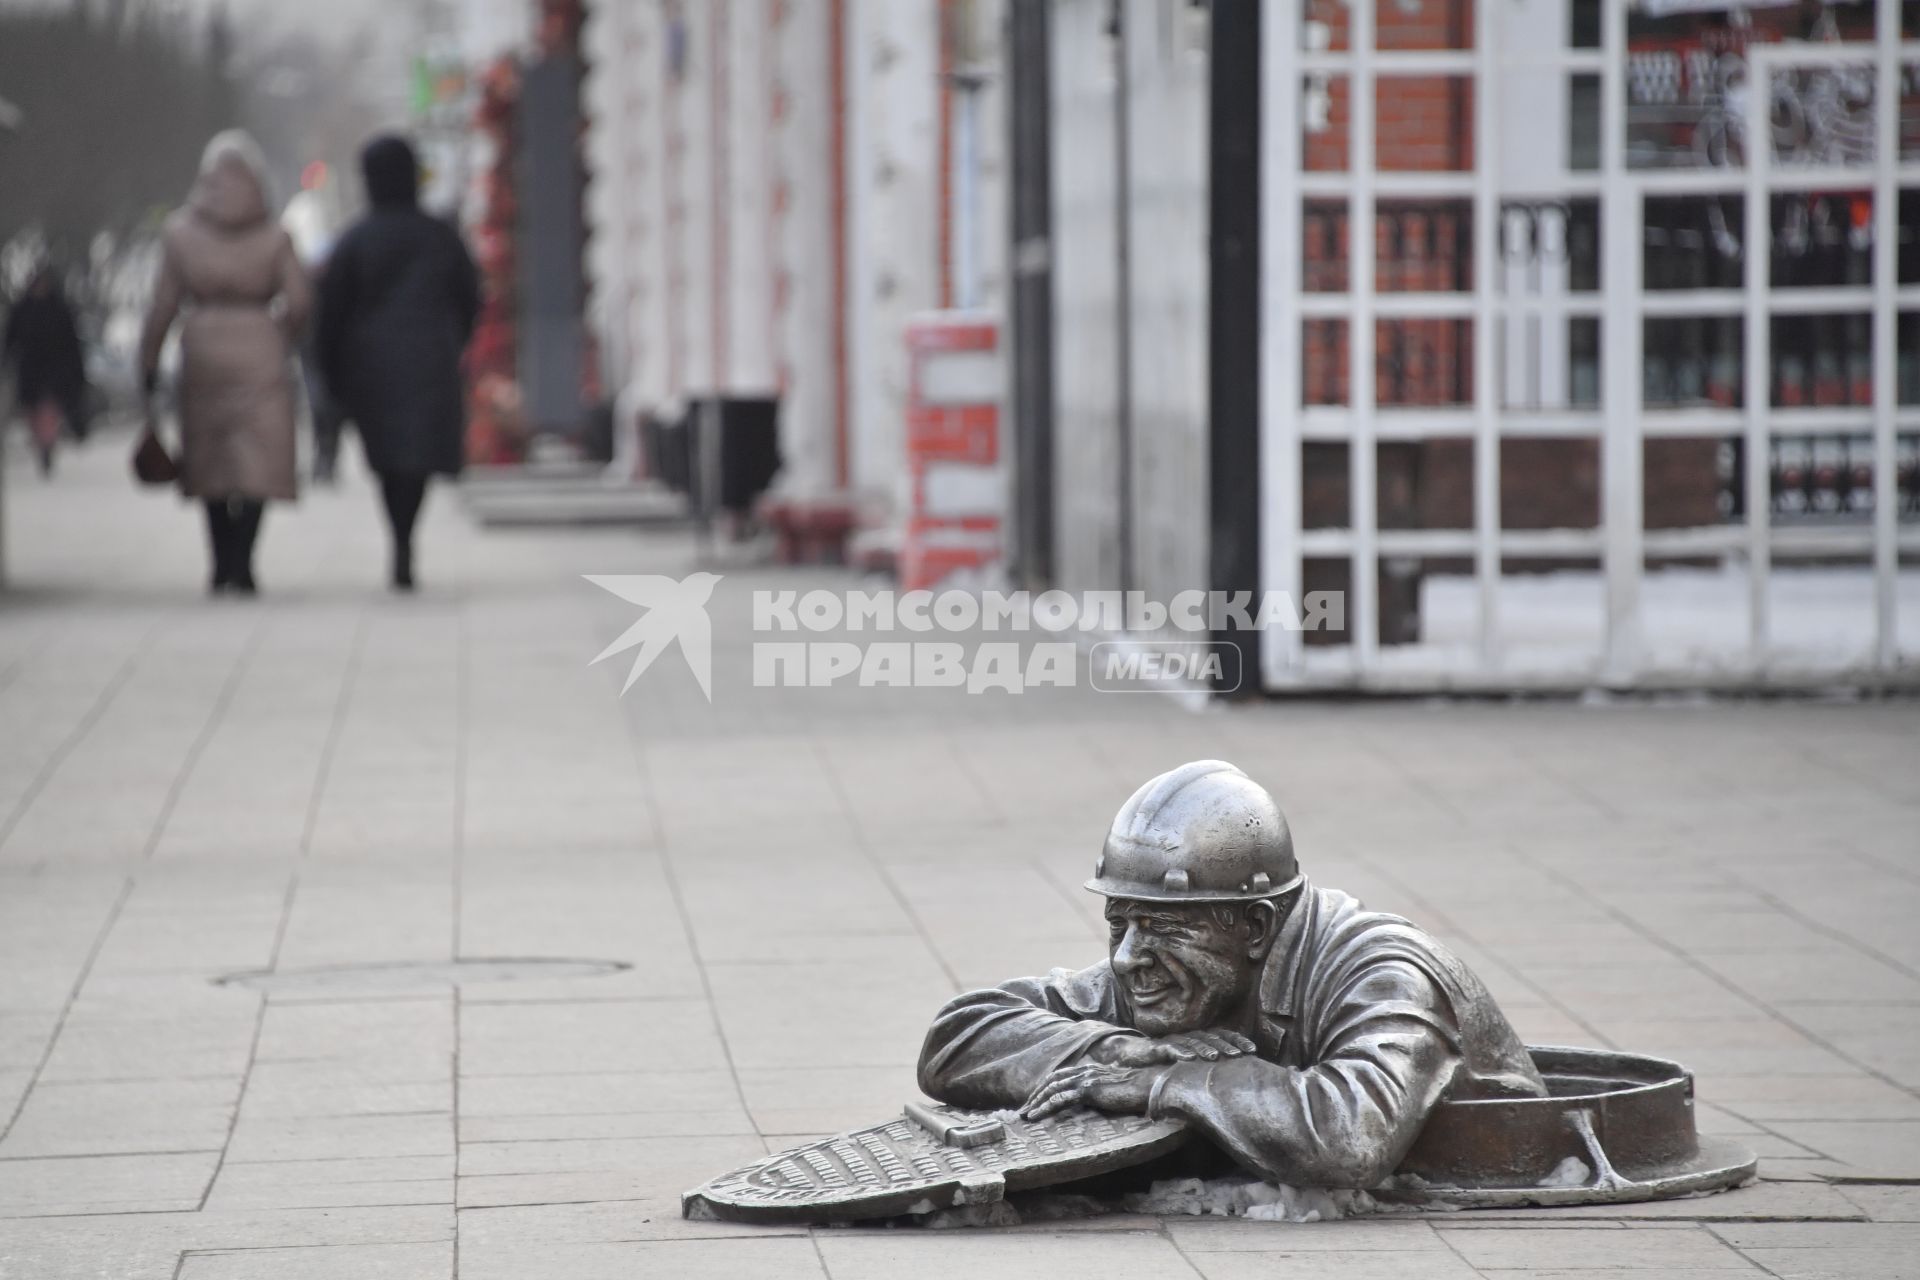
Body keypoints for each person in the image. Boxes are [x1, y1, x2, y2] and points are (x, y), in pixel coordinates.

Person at [917, 760, 1547, 1190]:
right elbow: (958, 1038)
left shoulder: (1385, 970)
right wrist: (1123, 1048)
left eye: (1163, 925)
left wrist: (1162, 1085)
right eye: (1119, 923)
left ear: (1252, 926)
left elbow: (1354, 1133)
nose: (1127, 956)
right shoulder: (1163, 971)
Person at [139, 131, 311, 596]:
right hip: (261, 349)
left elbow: (162, 305)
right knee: (258, 456)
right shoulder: (276, 236)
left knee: (211, 456)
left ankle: (219, 563)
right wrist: (278, 335)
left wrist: (150, 359)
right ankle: (245, 559)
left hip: (203, 352)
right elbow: (299, 301)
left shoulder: (180, 234)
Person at [318, 135, 480, 591]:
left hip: (371, 367)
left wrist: (333, 373)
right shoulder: (439, 235)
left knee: (389, 458)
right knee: (417, 458)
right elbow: (470, 295)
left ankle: (400, 536)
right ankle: (406, 537)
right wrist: (453, 342)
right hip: (429, 359)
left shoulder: (355, 240)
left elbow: (331, 313)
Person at [3, 266, 87, 477]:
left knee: (48, 411)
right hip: (30, 370)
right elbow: (10, 339)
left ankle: (47, 447)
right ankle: (41, 443)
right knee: (32, 413)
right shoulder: (23, 309)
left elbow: (72, 343)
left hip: (54, 371)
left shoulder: (59, 308)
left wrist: (76, 372)